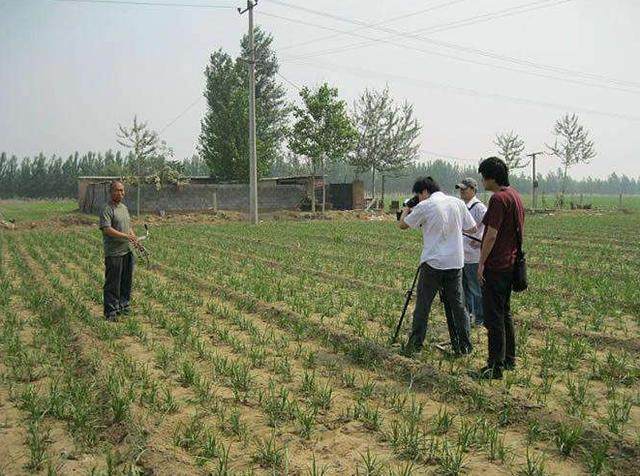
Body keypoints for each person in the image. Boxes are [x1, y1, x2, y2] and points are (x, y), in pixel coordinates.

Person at [397, 177, 477, 356]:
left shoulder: (424, 206)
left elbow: (403, 225)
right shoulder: (457, 203)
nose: (418, 198)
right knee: (459, 306)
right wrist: (452, 229)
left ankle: (415, 345)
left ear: (424, 191)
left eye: (418, 195)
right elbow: (472, 228)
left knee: (423, 305)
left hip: (433, 263)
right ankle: (464, 346)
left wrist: (406, 210)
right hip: (455, 263)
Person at [476, 157, 525, 379]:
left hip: (496, 265)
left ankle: (494, 367)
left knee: (493, 317)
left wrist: (481, 263)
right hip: (511, 264)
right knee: (504, 313)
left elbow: (492, 234)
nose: (483, 181)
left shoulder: (498, 199)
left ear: (491, 177)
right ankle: (509, 360)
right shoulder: (515, 195)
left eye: (484, 176)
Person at [100, 181, 139, 322]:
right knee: (113, 283)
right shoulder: (107, 209)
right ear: (111, 192)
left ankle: (124, 305)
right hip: (114, 252)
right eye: (117, 190)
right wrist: (126, 236)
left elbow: (128, 226)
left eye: (122, 190)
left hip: (127, 250)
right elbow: (107, 229)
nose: (120, 193)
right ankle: (111, 312)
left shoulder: (124, 208)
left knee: (125, 281)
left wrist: (133, 238)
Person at [455, 178, 487, 327]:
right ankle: (468, 315)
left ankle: (480, 318)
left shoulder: (479, 208)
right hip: (462, 254)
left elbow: (489, 227)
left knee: (476, 288)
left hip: (474, 255)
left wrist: (479, 239)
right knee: (464, 288)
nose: (461, 192)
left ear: (473, 190)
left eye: (464, 189)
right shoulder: (461, 206)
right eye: (460, 189)